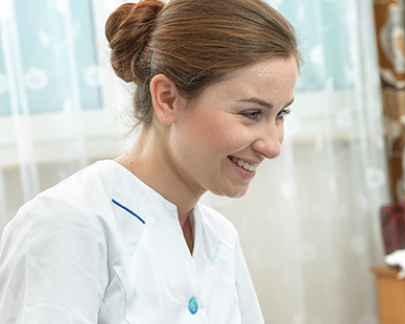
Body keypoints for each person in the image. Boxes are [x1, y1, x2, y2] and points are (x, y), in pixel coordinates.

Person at [0, 0, 299, 322]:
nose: (272, 146)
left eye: (280, 114)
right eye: (251, 114)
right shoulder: (69, 223)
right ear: (167, 99)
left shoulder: (220, 237)